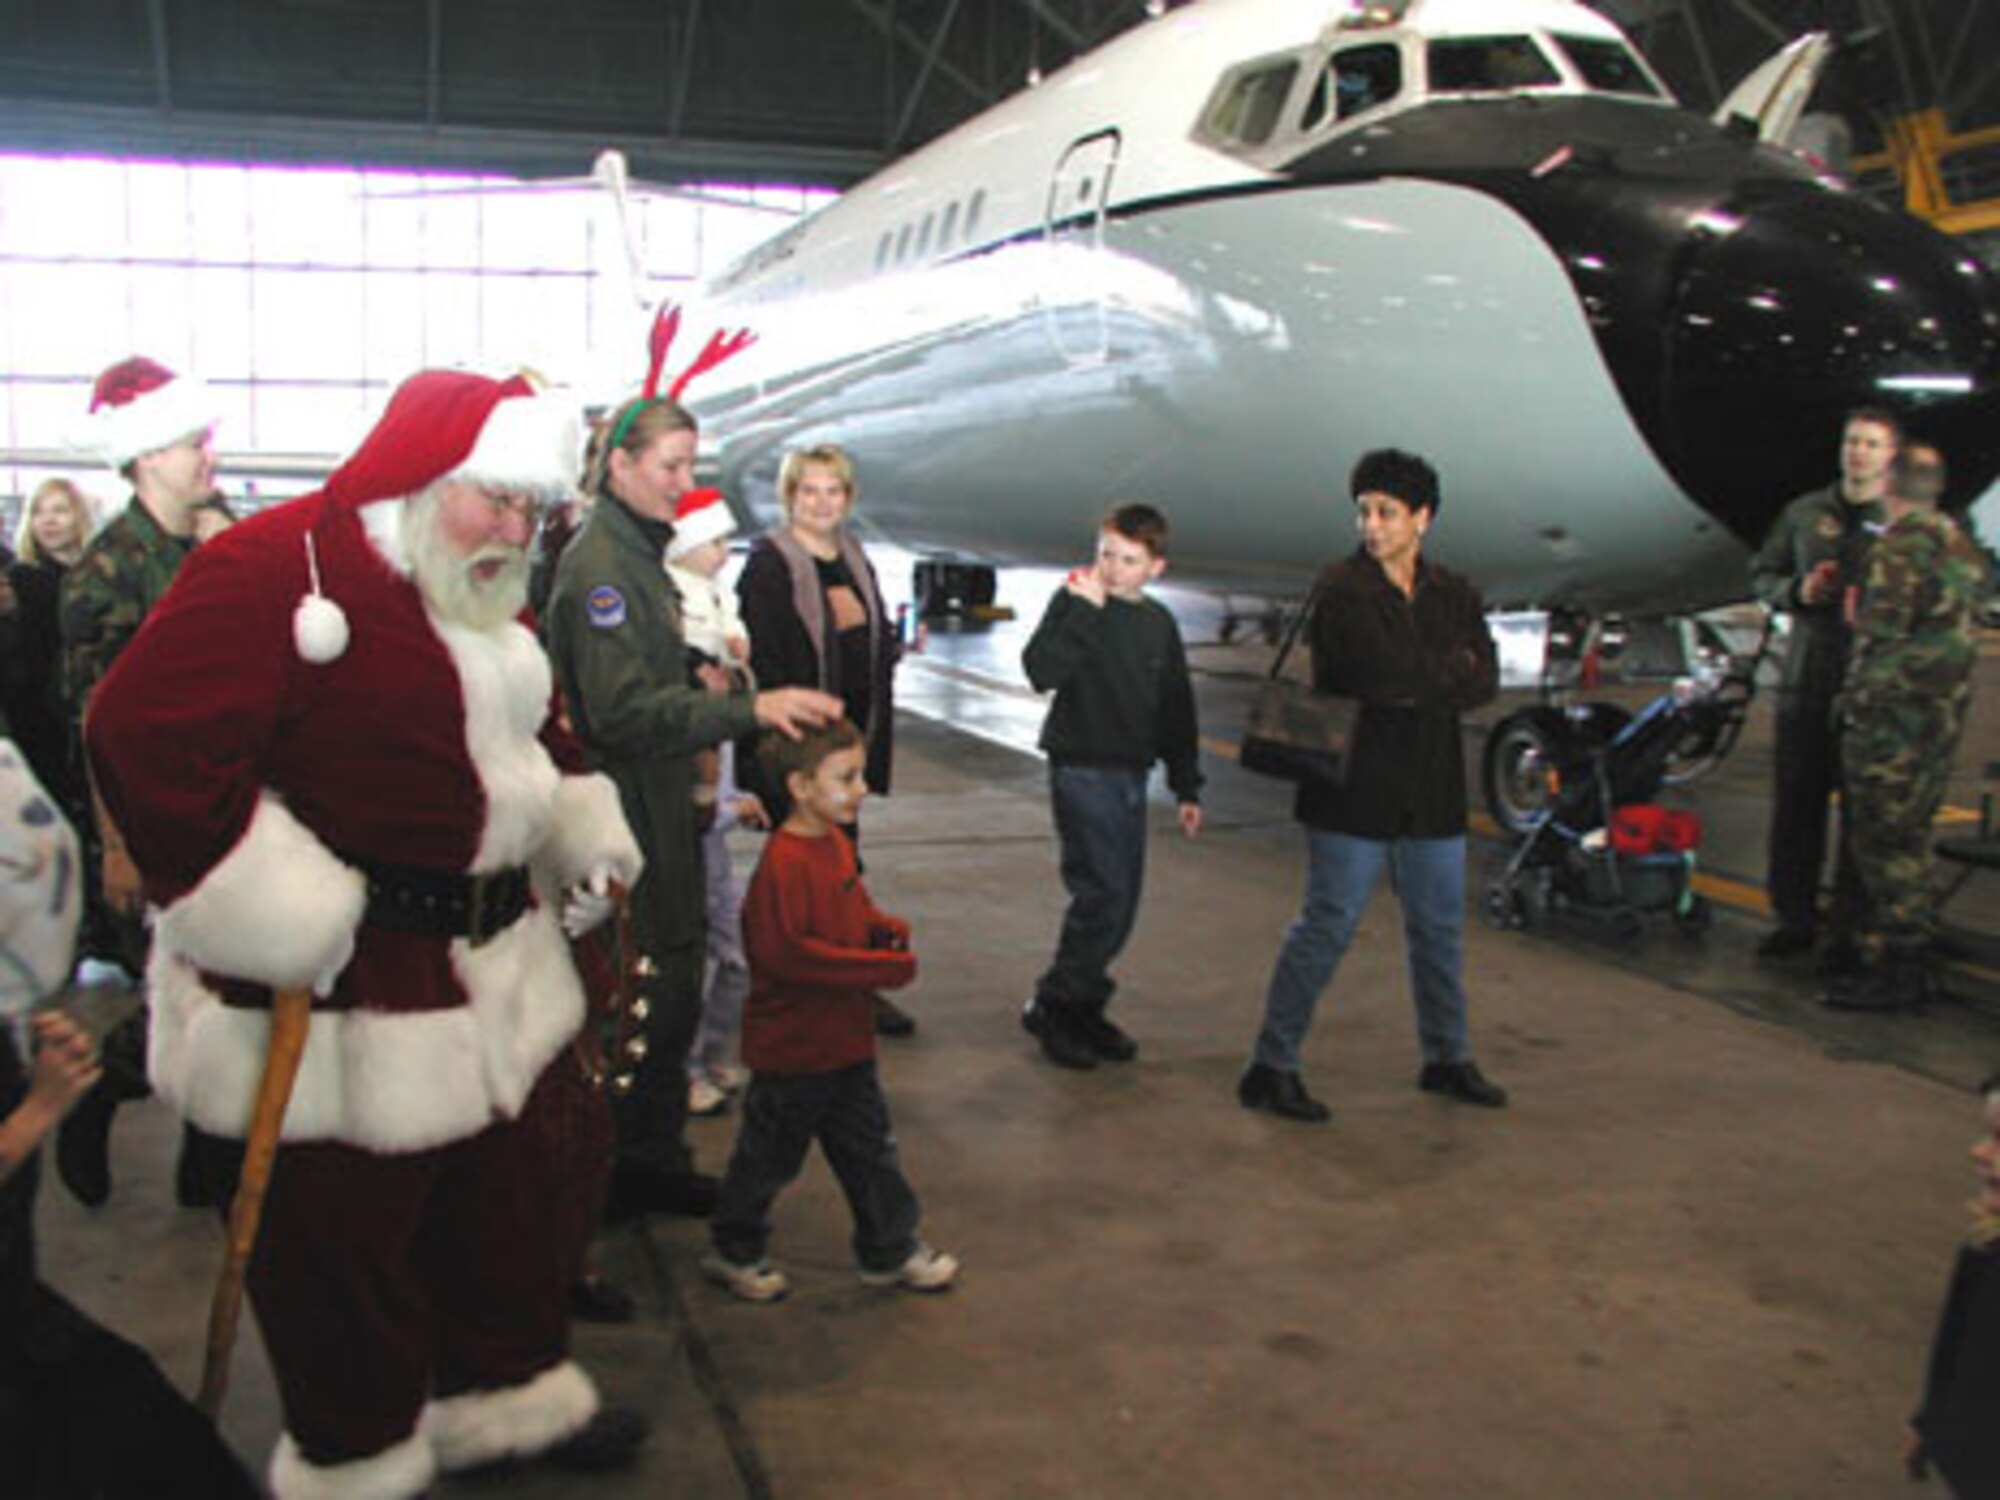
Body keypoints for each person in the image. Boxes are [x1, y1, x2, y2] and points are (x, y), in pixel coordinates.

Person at [85, 369, 652, 1496]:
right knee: (342, 1253)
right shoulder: (271, 570)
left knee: (506, 1217)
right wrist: (277, 913)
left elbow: (540, 737)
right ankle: (361, 1451)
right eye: (493, 498)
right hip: (342, 994)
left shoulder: (487, 591)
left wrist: (580, 837)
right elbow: (137, 734)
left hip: (497, 971)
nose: (511, 528)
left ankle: (502, 1403)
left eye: (531, 509)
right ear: (419, 473)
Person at [544, 396, 839, 1224]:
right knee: (637, 1002)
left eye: (690, 465)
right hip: (629, 812)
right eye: (670, 466)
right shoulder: (604, 567)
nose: (684, 483)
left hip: (662, 804)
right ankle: (601, 1186)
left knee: (668, 998)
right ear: (621, 466)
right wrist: (749, 709)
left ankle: (649, 1159)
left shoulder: (638, 556)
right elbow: (620, 711)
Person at [1240, 449, 1506, 1123]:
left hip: (1433, 787)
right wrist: (1444, 670)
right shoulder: (1342, 590)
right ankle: (1271, 1065)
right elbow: (1379, 677)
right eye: (1364, 511)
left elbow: (1484, 680)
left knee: (1439, 929)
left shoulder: (1455, 592)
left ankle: (1447, 1057)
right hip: (1353, 787)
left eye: (1387, 511)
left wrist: (1434, 675)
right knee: (1327, 925)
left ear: (1423, 518)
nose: (1372, 525)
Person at [701, 719, 957, 1302]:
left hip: (844, 1042)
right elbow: (790, 956)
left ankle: (888, 1247)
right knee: (769, 1157)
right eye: (846, 777)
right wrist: (875, 970)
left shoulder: (835, 845)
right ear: (800, 786)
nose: (861, 788)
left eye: (859, 775)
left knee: (869, 1150)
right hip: (795, 1049)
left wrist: (884, 935)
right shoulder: (785, 864)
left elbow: (854, 911)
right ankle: (733, 1247)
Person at [56, 357, 228, 1210]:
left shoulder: (203, 547)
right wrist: (117, 848)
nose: (208, 455)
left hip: (211, 808)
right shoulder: (109, 571)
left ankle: (208, 1167)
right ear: (146, 454)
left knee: (222, 985)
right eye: (193, 441)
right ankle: (92, 1098)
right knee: (178, 996)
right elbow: (92, 723)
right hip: (140, 819)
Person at [736, 442, 917, 1038]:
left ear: (848, 498)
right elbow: (765, 662)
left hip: (846, 745)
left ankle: (844, 977)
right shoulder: (769, 564)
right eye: (808, 491)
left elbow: (867, 636)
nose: (821, 502)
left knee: (841, 863)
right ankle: (816, 983)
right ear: (790, 498)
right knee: (808, 871)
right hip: (799, 750)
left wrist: (891, 645)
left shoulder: (853, 557)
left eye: (832, 491)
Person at [1019, 502, 1203, 1070]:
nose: (1113, 568)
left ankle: (1080, 1003)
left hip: (1130, 775)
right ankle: (1057, 1007)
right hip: (1080, 769)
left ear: (1156, 568)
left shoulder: (1157, 624)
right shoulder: (1076, 603)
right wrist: (1084, 611)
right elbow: (1040, 670)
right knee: (1101, 894)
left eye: (1129, 560)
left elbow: (1176, 707)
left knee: (1122, 900)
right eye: (1106, 555)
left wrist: (1186, 784)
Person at [1825, 442, 1988, 1011]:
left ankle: (1900, 966)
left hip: (1891, 718)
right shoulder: (1962, 546)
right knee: (1913, 835)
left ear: (1890, 482)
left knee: (1882, 839)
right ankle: (1912, 954)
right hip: (1939, 716)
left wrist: (1854, 613)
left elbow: (1879, 628)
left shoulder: (1898, 549)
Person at [1750, 407, 1899, 968]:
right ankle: (1794, 917)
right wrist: (1797, 590)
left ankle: (1849, 930)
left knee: (1863, 812)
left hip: (1872, 686)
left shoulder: (1902, 519)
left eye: (1871, 444)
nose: (1858, 452)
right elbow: (1761, 574)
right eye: (1852, 441)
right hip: (1808, 678)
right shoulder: (1804, 513)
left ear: (1890, 457)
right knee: (1797, 806)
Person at [665, 486, 767, 1116]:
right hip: (702, 844)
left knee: (730, 954)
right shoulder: (668, 609)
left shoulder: (718, 605)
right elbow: (694, 795)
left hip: (715, 838)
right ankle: (688, 1066)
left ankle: (704, 1057)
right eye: (715, 542)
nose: (726, 553)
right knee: (710, 953)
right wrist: (730, 807)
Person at [1905, 1071, 2000, 1495]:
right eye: (1988, 1135)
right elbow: (1954, 1340)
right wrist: (1930, 1420)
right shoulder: (1986, 1243)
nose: (1979, 1152)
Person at [5, 478, 94, 810]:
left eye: (60, 510)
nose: (49, 520)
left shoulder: (96, 578)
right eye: (39, 512)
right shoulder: (24, 580)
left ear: (79, 516)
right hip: (39, 716)